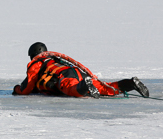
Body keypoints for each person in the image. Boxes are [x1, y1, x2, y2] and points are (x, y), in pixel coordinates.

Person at [13, 42, 149, 99]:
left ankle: (84, 86)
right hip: (77, 72)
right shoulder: (55, 60)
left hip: (65, 77)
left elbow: (27, 86)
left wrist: (17, 89)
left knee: (71, 89)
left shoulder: (37, 63)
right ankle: (130, 84)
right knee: (104, 88)